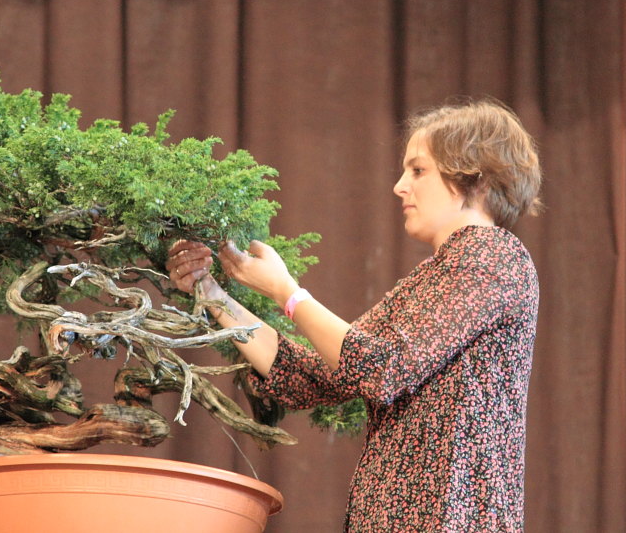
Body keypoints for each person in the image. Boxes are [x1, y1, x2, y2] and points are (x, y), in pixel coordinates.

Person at [168, 99, 542, 531]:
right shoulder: (437, 276)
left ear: (473, 178)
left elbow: (383, 370)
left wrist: (287, 291)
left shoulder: (491, 257)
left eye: (418, 170)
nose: (399, 186)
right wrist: (210, 290)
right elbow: (314, 374)